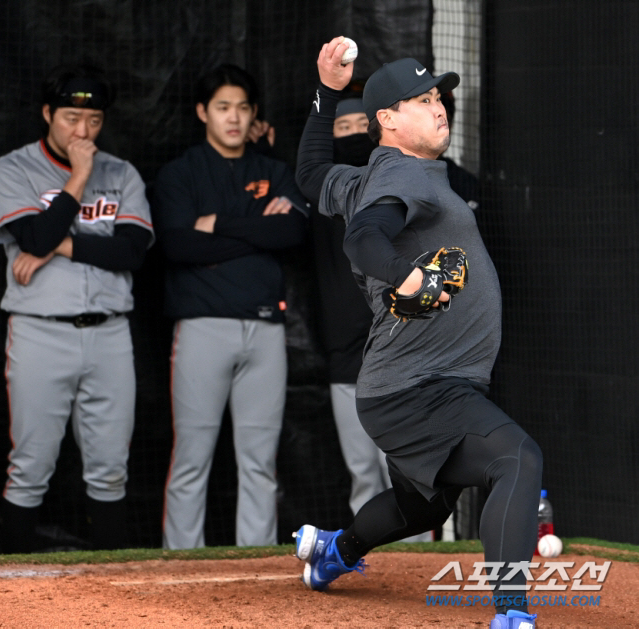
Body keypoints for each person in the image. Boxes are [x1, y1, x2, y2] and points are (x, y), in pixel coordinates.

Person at [293, 37, 542, 629]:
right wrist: (408, 277)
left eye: (440, 98)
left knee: (418, 506)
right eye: (423, 99)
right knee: (517, 458)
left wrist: (327, 91)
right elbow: (362, 240)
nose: (440, 108)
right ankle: (511, 614)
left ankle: (334, 553)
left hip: (405, 387)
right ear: (387, 119)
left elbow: (308, 175)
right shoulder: (403, 179)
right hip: (419, 387)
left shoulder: (368, 179)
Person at [0, 64, 154, 553]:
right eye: (70, 118)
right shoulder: (13, 168)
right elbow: (34, 235)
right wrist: (79, 177)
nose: (82, 132)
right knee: (30, 465)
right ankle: (13, 592)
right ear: (47, 114)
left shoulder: (122, 172)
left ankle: (113, 592)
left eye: (94, 120)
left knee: (109, 468)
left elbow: (130, 253)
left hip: (109, 334)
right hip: (41, 332)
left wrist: (55, 246)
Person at [153, 64, 309, 549]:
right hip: (202, 328)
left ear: (254, 113)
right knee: (191, 459)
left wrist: (216, 224)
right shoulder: (180, 173)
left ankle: (255, 565)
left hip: (264, 330)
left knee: (260, 462)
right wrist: (254, 229)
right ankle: (181, 564)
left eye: (243, 108)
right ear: (203, 112)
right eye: (223, 107)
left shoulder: (274, 171)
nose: (234, 118)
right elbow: (177, 246)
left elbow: (291, 232)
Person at [310, 95, 391, 517]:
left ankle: (415, 564)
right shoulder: (321, 200)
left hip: (396, 348)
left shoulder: (398, 187)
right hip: (345, 355)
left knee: (405, 473)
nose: (356, 135)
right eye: (343, 128)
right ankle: (371, 561)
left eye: (364, 126)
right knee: (362, 472)